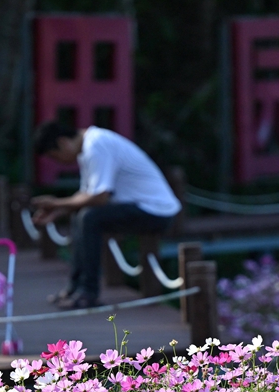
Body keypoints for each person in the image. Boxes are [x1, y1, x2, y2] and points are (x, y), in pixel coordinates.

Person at [30, 122, 182, 309]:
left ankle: (88, 292)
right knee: (82, 216)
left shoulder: (96, 145)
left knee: (90, 218)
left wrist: (56, 203)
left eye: (55, 156)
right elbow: (86, 196)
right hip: (140, 207)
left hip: (157, 211)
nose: (59, 162)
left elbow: (100, 197)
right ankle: (76, 287)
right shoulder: (88, 148)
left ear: (63, 143)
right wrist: (58, 210)